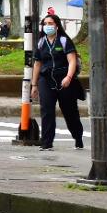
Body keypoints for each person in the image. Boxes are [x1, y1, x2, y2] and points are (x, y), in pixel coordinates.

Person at [31, 12, 85, 151]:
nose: (47, 26)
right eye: (45, 24)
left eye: (50, 24)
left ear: (57, 26)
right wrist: (34, 85)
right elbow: (37, 64)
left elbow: (72, 60)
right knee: (47, 110)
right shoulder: (41, 42)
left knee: (69, 111)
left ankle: (78, 137)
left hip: (64, 80)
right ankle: (47, 143)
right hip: (46, 80)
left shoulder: (64, 41)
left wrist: (68, 77)